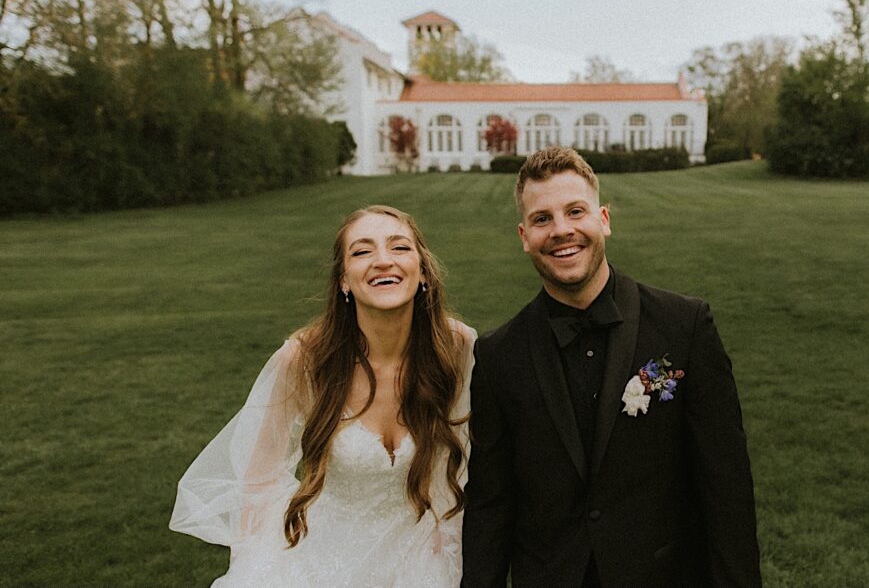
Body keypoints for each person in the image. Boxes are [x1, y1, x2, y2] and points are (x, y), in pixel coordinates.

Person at [462, 147, 761, 588]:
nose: (561, 230)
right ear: (524, 236)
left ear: (603, 219)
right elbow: (491, 503)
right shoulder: (498, 355)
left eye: (575, 211)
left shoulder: (684, 327)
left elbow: (726, 484)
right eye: (543, 219)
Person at [171, 205, 475, 587]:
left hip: (421, 561)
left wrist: (447, 535)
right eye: (362, 252)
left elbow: (475, 458)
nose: (383, 261)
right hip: (323, 563)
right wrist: (259, 566)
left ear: (423, 271)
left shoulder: (457, 347)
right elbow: (258, 481)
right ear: (343, 281)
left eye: (399, 248)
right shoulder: (304, 359)